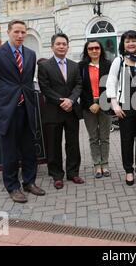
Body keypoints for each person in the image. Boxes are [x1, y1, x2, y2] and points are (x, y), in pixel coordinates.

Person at [0, 20, 46, 203]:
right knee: (9, 151)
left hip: (27, 107)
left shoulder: (31, 54)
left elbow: (26, 81)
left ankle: (29, 182)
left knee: (29, 149)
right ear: (9, 32)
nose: (20, 35)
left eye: (23, 32)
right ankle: (12, 187)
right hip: (8, 109)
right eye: (16, 32)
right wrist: (0, 104)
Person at [37, 33, 84, 190]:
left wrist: (71, 100)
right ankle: (57, 175)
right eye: (58, 44)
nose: (61, 46)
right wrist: (62, 101)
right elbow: (45, 88)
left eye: (64, 44)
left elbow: (79, 85)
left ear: (67, 46)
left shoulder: (74, 65)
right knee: (54, 145)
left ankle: (73, 173)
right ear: (52, 46)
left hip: (71, 111)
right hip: (53, 111)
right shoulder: (44, 66)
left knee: (73, 144)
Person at [106, 30, 136, 186]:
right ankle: (129, 171)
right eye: (127, 41)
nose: (131, 43)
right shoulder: (119, 60)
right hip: (126, 106)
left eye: (134, 40)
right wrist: (114, 104)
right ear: (123, 44)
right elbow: (110, 83)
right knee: (127, 139)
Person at [78, 40, 112, 179]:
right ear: (87, 51)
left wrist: (101, 102)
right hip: (88, 106)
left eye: (96, 48)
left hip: (105, 104)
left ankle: (105, 164)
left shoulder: (108, 65)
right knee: (93, 137)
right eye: (90, 48)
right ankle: (97, 164)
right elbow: (79, 86)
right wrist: (89, 104)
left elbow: (111, 85)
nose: (94, 50)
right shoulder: (81, 66)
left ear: (101, 49)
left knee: (105, 137)